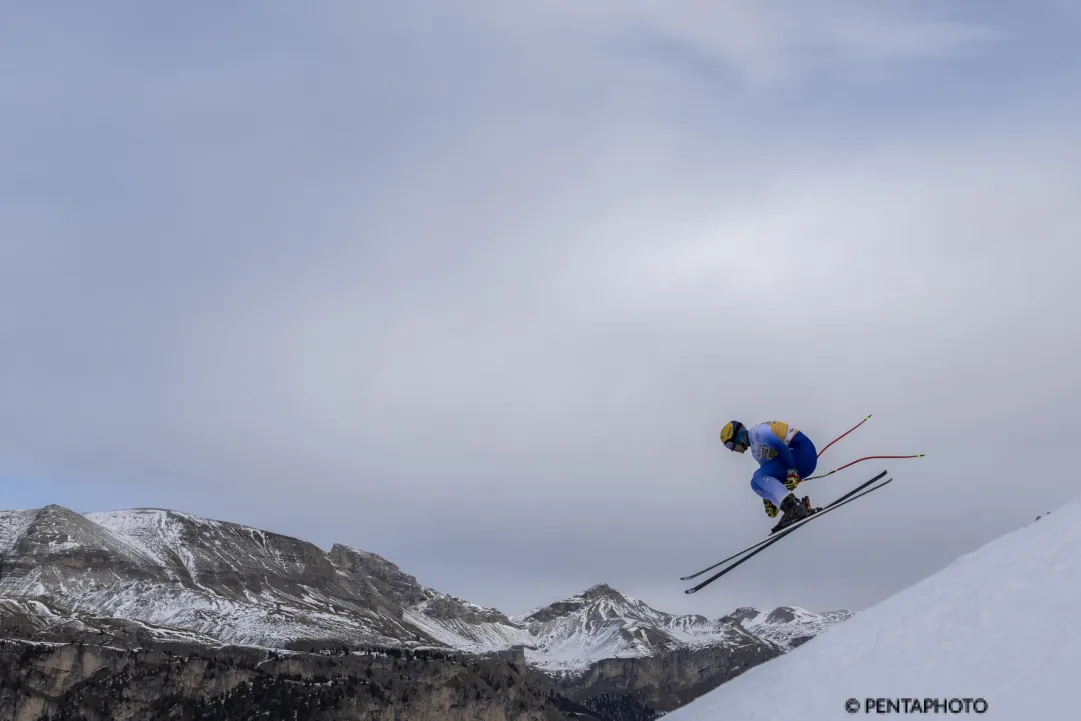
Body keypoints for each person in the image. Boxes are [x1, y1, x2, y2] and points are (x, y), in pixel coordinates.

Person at [720, 419, 819, 532]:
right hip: (798, 462)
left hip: (802, 453)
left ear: (738, 437)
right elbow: (771, 478)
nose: (732, 450)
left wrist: (792, 471)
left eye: (730, 445)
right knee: (755, 484)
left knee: (757, 476)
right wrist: (770, 500)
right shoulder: (755, 452)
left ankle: (795, 507)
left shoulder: (758, 432)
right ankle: (791, 508)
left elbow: (781, 447)